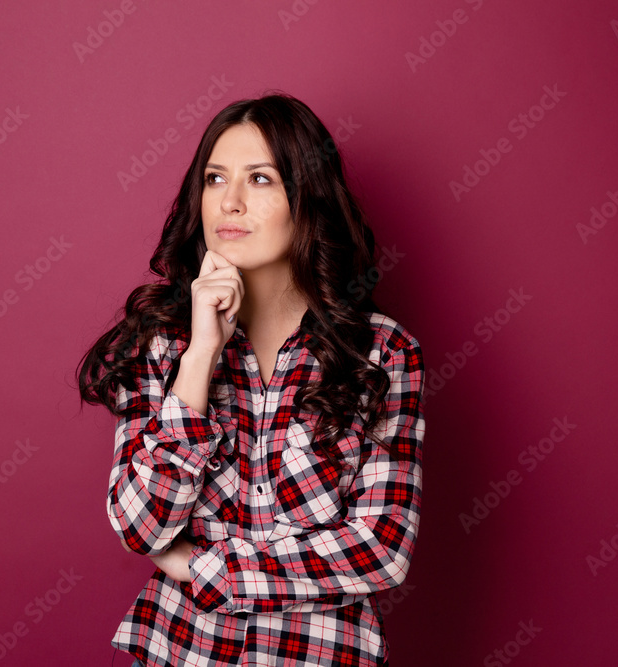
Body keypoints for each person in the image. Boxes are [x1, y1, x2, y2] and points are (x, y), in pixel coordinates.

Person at [76, 92, 425, 667]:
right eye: (215, 179)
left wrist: (201, 565)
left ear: (307, 198)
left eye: (260, 179)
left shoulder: (382, 353)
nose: (230, 202)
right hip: (183, 652)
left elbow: (381, 549)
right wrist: (201, 356)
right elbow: (140, 526)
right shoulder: (162, 343)